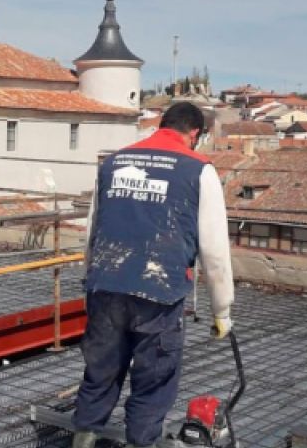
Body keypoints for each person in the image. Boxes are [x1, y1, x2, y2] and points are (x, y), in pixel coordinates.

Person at [72, 102, 234, 448]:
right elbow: (215, 252)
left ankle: (82, 440)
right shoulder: (199, 170)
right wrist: (222, 310)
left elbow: (92, 230)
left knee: (100, 373)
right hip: (159, 294)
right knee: (153, 381)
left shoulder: (113, 162)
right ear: (195, 134)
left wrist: (92, 278)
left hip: (105, 286)